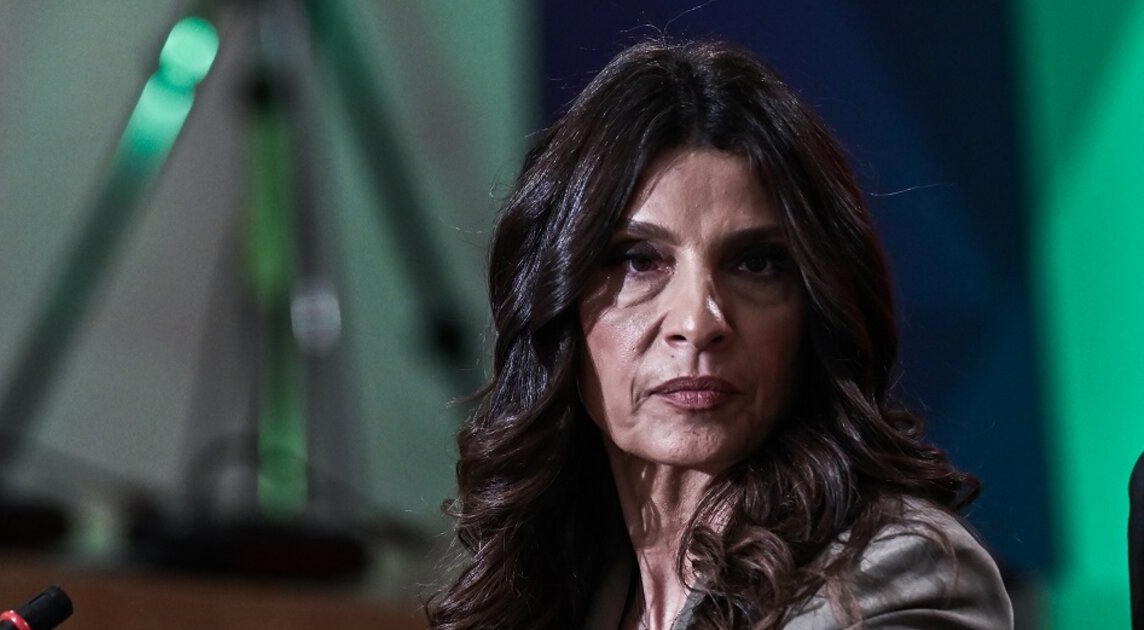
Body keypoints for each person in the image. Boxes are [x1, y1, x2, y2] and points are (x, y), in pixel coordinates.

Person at [427, 40, 1013, 630]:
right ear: (558, 303)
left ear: (816, 307)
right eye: (638, 260)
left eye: (755, 264)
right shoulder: (551, 588)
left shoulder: (894, 573)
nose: (698, 322)